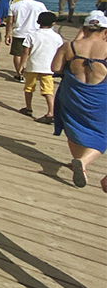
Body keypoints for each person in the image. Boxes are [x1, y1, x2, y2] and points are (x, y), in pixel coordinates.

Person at [51, 10, 107, 190]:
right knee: (102, 133)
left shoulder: (70, 46)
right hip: (99, 95)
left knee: (73, 126)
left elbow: (56, 67)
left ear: (84, 28)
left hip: (72, 93)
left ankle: (80, 165)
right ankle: (83, 161)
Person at [19, 12, 63, 123]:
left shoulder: (32, 35)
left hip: (33, 65)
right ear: (54, 23)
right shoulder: (57, 37)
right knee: (48, 90)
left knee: (29, 87)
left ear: (38, 22)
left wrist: (21, 65)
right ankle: (51, 111)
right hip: (49, 67)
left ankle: (28, 108)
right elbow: (60, 52)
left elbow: (25, 52)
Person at [5, 0, 47, 82]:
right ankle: (32, 73)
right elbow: (45, 19)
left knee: (17, 54)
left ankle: (19, 74)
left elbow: (10, 21)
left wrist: (8, 34)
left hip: (19, 33)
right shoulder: (40, 5)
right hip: (35, 33)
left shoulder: (14, 6)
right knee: (34, 53)